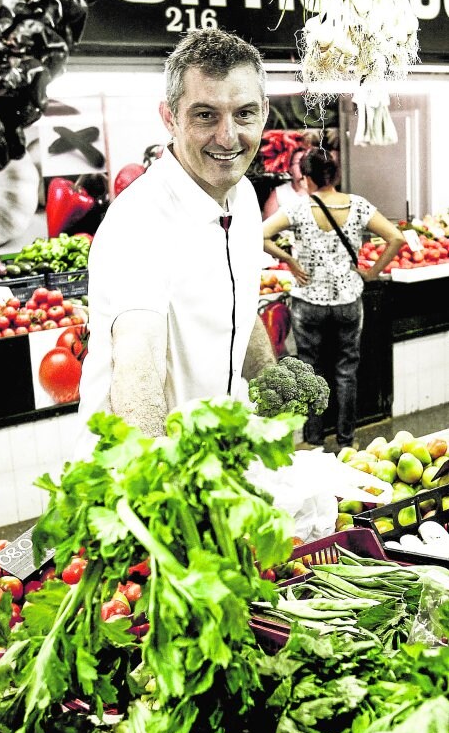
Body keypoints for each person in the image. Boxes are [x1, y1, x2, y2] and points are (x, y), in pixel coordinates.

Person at [74, 27, 276, 457]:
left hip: (211, 456)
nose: (227, 137)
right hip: (141, 471)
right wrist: (158, 480)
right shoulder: (140, 218)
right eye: (205, 115)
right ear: (170, 118)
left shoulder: (244, 201)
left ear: (264, 112)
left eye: (243, 114)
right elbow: (137, 361)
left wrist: (271, 387)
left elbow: (239, 303)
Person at [262, 147, 404, 450]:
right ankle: (345, 441)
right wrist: (372, 272)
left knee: (310, 371)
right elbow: (396, 238)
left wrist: (289, 260)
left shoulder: (299, 208)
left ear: (307, 177)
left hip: (307, 303)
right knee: (346, 371)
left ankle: (314, 441)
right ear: (334, 176)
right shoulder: (359, 205)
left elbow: (259, 235)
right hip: (348, 301)